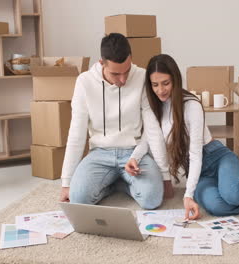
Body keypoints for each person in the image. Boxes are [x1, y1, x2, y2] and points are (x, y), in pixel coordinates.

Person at [125, 54, 239, 219]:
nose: (160, 90)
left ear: (175, 81)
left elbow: (195, 153)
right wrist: (134, 157)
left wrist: (187, 195)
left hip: (216, 158)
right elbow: (148, 139)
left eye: (166, 83)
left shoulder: (191, 105)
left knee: (233, 195)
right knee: (217, 207)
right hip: (200, 173)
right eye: (155, 85)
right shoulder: (155, 108)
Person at [59, 33, 173, 209]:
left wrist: (165, 176)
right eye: (115, 74)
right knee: (78, 199)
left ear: (131, 59)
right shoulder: (84, 82)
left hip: (135, 153)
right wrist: (66, 182)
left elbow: (153, 127)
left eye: (126, 71)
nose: (123, 79)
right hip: (99, 153)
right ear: (101, 63)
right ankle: (112, 185)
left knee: (152, 199)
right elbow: (76, 133)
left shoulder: (142, 77)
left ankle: (120, 184)